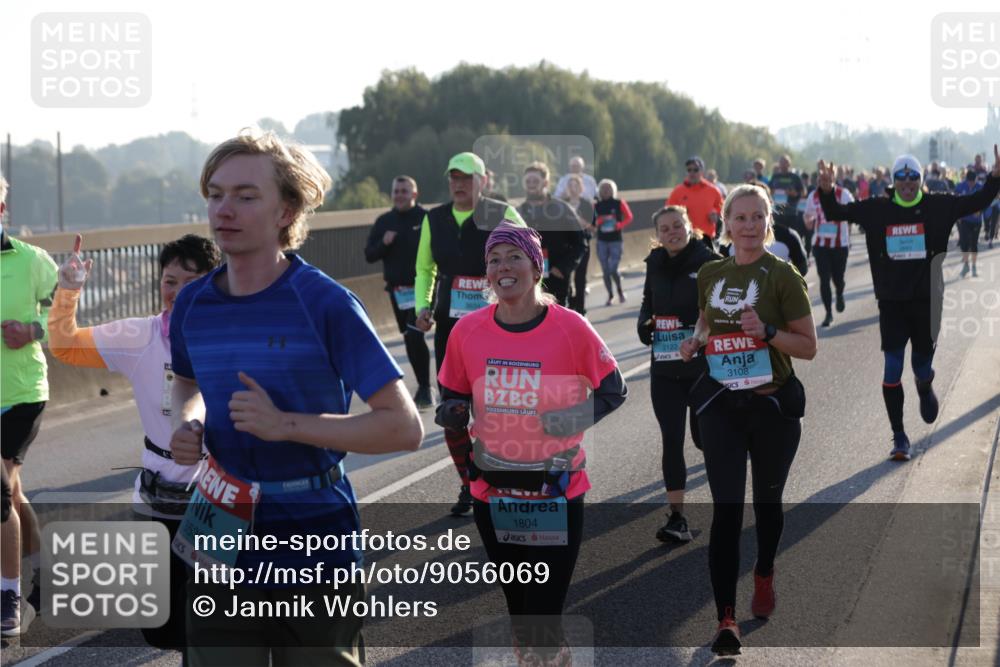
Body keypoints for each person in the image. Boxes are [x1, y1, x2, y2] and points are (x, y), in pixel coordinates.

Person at [168, 130, 424, 667]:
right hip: (221, 524)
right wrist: (189, 423)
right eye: (215, 194)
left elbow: (402, 428)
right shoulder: (193, 302)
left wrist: (285, 425)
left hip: (313, 534)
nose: (224, 209)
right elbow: (188, 382)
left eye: (245, 195)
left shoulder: (325, 303)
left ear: (287, 209)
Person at [437, 221, 626, 664]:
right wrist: (455, 420)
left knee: (541, 615)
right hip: (494, 492)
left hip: (554, 491)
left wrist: (570, 418)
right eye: (494, 260)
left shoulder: (570, 327)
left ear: (536, 267)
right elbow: (453, 400)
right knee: (521, 610)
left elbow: (613, 390)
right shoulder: (466, 332)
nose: (504, 267)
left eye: (514, 257)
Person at [48, 232, 221, 657]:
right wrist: (68, 290)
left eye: (188, 280)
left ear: (213, 282)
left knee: (208, 618)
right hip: (159, 492)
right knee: (159, 628)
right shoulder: (141, 336)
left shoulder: (231, 337)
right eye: (168, 280)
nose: (174, 291)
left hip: (216, 492)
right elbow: (65, 346)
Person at [679, 183, 817, 655]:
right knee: (726, 511)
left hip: (772, 407)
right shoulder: (711, 273)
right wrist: (696, 340)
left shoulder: (782, 275)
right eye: (740, 217)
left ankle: (764, 571)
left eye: (758, 217)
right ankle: (726, 620)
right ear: (725, 222)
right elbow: (705, 319)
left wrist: (769, 331)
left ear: (768, 221)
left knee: (768, 507)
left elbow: (808, 346)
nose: (750, 225)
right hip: (723, 405)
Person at [818, 147, 1000, 460]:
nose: (907, 183)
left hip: (927, 301)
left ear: (920, 180)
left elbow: (978, 201)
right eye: (900, 178)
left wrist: (995, 177)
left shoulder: (938, 205)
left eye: (912, 177)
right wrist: (825, 190)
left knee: (921, 364)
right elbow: (836, 213)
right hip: (891, 301)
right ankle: (899, 436)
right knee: (891, 368)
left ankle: (924, 383)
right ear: (893, 181)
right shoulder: (878, 209)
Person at [413, 151, 526, 516]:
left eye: (466, 177)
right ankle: (469, 483)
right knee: (453, 413)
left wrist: (520, 299)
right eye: (453, 178)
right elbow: (424, 268)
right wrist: (423, 307)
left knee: (499, 408)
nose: (459, 184)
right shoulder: (435, 217)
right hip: (452, 328)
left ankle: (509, 476)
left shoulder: (502, 213)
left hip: (499, 326)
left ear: (483, 180)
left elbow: (533, 254)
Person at [637, 206, 720, 543]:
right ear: (657, 234)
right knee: (671, 439)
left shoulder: (707, 260)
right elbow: (647, 304)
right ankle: (677, 518)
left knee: (707, 440)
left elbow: (717, 311)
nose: (672, 232)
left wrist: (698, 337)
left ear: (690, 226)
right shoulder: (654, 263)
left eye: (677, 225)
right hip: (665, 369)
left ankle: (725, 510)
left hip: (702, 368)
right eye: (665, 228)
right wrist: (645, 326)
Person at [1, 173, 56, 637]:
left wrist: (31, 330)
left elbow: (62, 320)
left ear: (2, 211)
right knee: (12, 494)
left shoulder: (33, 261)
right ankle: (43, 574)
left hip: (21, 394)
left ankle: (8, 597)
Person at [364, 175, 433, 408]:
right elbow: (369, 255)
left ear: (415, 194)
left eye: (404, 191)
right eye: (396, 191)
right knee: (409, 338)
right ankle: (425, 385)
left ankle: (425, 388)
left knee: (415, 334)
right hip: (397, 291)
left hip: (422, 289)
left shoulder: (425, 218)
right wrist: (384, 243)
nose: (399, 195)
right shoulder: (384, 221)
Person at [517, 161, 586, 307]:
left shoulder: (562, 209)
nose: (531, 184)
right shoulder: (518, 213)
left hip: (556, 281)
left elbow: (580, 244)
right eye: (527, 181)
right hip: (527, 281)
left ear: (546, 182)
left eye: (535, 181)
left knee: (557, 325)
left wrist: (563, 268)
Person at [804, 169, 855, 326]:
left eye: (827, 180)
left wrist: (848, 225)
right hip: (820, 244)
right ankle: (828, 313)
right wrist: (808, 221)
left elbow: (853, 211)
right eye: (821, 180)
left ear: (833, 179)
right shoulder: (813, 196)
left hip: (840, 244)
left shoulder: (843, 194)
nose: (824, 183)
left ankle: (839, 292)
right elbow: (807, 214)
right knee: (824, 278)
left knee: (838, 278)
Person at [594, 179, 633, 305]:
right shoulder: (596, 205)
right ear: (599, 191)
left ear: (613, 190)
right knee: (605, 270)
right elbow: (591, 222)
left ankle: (620, 291)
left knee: (613, 269)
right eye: (603, 189)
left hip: (616, 240)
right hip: (602, 241)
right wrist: (599, 221)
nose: (606, 191)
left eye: (608, 188)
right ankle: (610, 295)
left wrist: (619, 225)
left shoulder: (619, 203)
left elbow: (629, 217)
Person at [667, 156, 723, 244]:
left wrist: (715, 213)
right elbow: (668, 212)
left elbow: (722, 209)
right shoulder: (677, 191)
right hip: (685, 238)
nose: (692, 173)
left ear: (702, 172)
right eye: (689, 170)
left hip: (707, 238)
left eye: (695, 170)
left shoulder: (713, 190)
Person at [562, 174, 596, 316]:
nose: (573, 188)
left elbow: (593, 227)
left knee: (580, 277)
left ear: (581, 188)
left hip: (582, 243)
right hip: (566, 244)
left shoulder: (587, 204)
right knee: (566, 275)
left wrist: (577, 219)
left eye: (576, 186)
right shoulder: (561, 203)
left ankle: (581, 308)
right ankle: (571, 303)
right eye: (570, 185)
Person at [954, 170, 984, 278]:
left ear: (976, 180)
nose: (971, 184)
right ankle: (966, 265)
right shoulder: (960, 187)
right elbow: (955, 200)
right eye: (969, 181)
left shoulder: (981, 187)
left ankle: (974, 266)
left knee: (974, 244)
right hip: (964, 220)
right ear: (966, 180)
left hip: (976, 221)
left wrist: (980, 211)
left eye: (973, 181)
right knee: (964, 243)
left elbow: (986, 201)